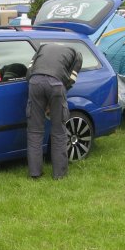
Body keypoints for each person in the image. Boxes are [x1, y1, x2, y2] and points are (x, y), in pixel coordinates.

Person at [26, 43, 83, 180]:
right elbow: (70, 80)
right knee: (59, 131)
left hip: (34, 83)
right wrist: (57, 97)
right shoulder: (77, 54)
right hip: (57, 84)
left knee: (34, 131)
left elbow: (29, 72)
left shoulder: (42, 47)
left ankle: (35, 173)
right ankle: (59, 174)